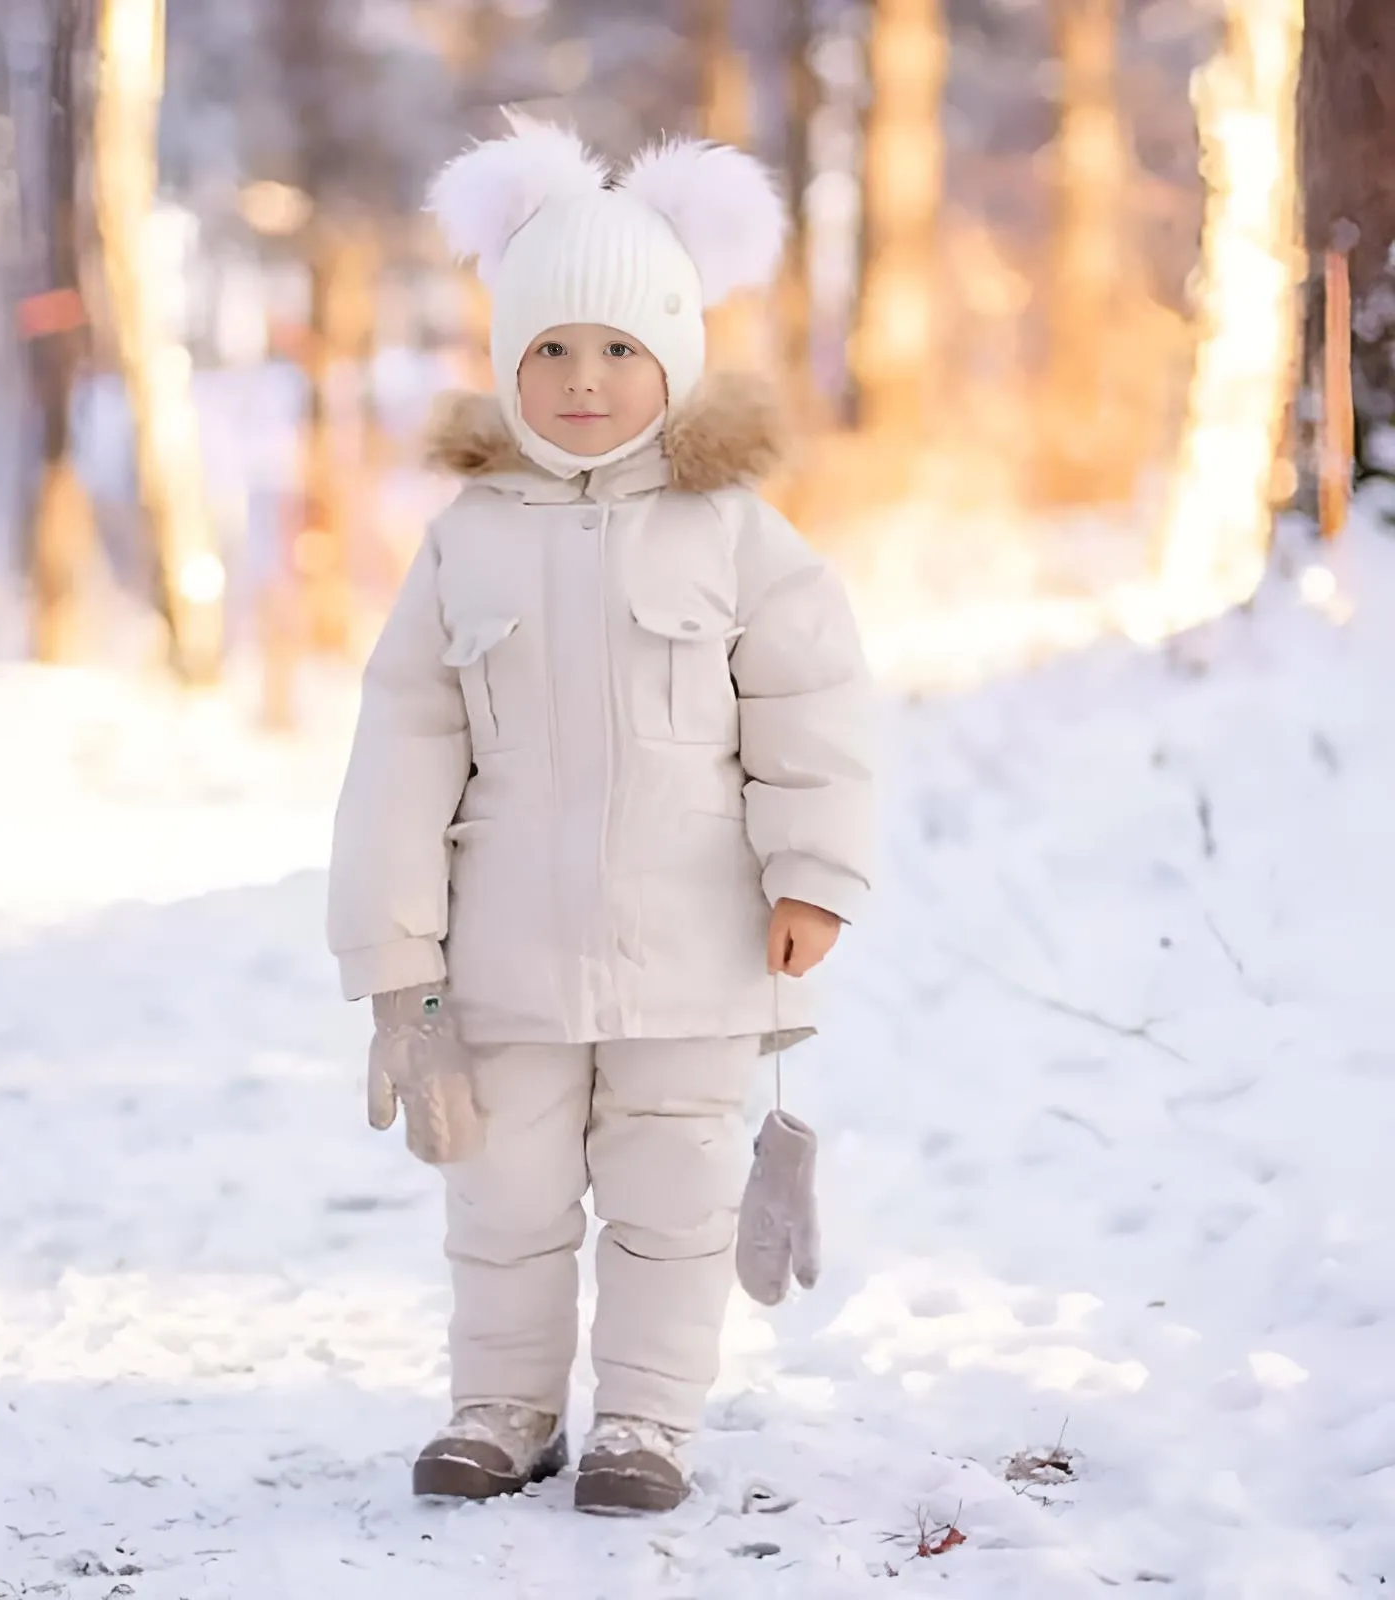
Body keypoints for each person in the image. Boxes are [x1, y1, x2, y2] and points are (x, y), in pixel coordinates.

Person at [327, 114, 874, 1515]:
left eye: (620, 351)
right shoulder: (466, 540)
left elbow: (810, 708)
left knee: (672, 1201)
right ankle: (502, 1409)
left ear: (674, 361)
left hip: (693, 953)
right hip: (503, 963)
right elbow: (400, 747)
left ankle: (643, 1421)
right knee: (500, 1204)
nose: (584, 381)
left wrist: (811, 870)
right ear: (508, 364)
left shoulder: (739, 534)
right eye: (551, 350)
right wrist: (399, 966)